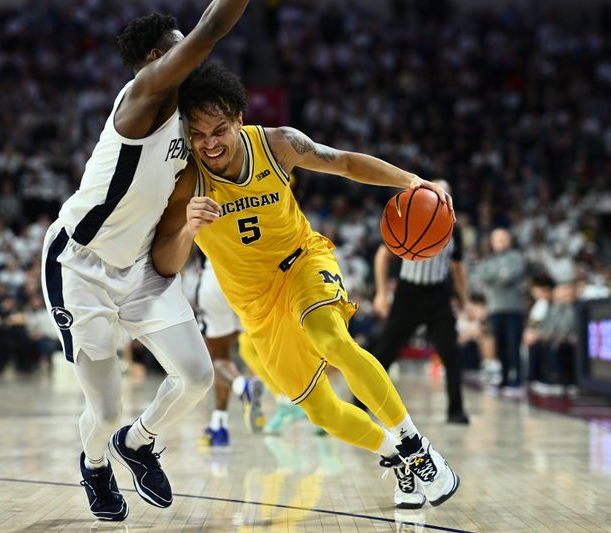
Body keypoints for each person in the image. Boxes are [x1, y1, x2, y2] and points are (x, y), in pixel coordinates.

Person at [151, 62, 460, 510]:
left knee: (329, 336)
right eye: (197, 134)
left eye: (218, 129)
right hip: (255, 307)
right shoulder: (187, 181)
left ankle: (417, 447)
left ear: (240, 118)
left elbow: (347, 163)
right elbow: (164, 263)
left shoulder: (277, 144)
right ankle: (397, 459)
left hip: (301, 263)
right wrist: (185, 231)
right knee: (320, 409)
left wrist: (412, 180)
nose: (209, 142)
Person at [39, 2, 249, 522]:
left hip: (138, 267)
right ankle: (94, 464)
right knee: (104, 405)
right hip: (79, 266)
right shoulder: (145, 94)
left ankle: (137, 441)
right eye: (182, 46)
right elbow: (214, 26)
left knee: (198, 376)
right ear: (158, 58)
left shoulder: (186, 119)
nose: (193, 55)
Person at [361, 182, 470, 424]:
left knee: (450, 353)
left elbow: (458, 267)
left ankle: (456, 410)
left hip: (439, 295)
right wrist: (380, 293)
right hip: (408, 295)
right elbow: (382, 255)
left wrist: (465, 299)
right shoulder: (411, 216)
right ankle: (360, 405)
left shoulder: (455, 229)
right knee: (384, 352)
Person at [196, 257, 266, 445]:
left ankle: (242, 386)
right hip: (245, 280)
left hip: (215, 276)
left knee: (216, 359)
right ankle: (219, 425)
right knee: (225, 358)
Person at [473, 228, 527, 395]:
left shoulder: (516, 257)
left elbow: (510, 275)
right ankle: (504, 378)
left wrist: (494, 277)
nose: (500, 243)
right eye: (497, 240)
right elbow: (481, 275)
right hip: (495, 308)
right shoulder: (488, 259)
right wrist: (499, 274)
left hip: (513, 308)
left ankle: (517, 380)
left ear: (509, 240)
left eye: (503, 239)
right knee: (500, 345)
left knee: (514, 344)